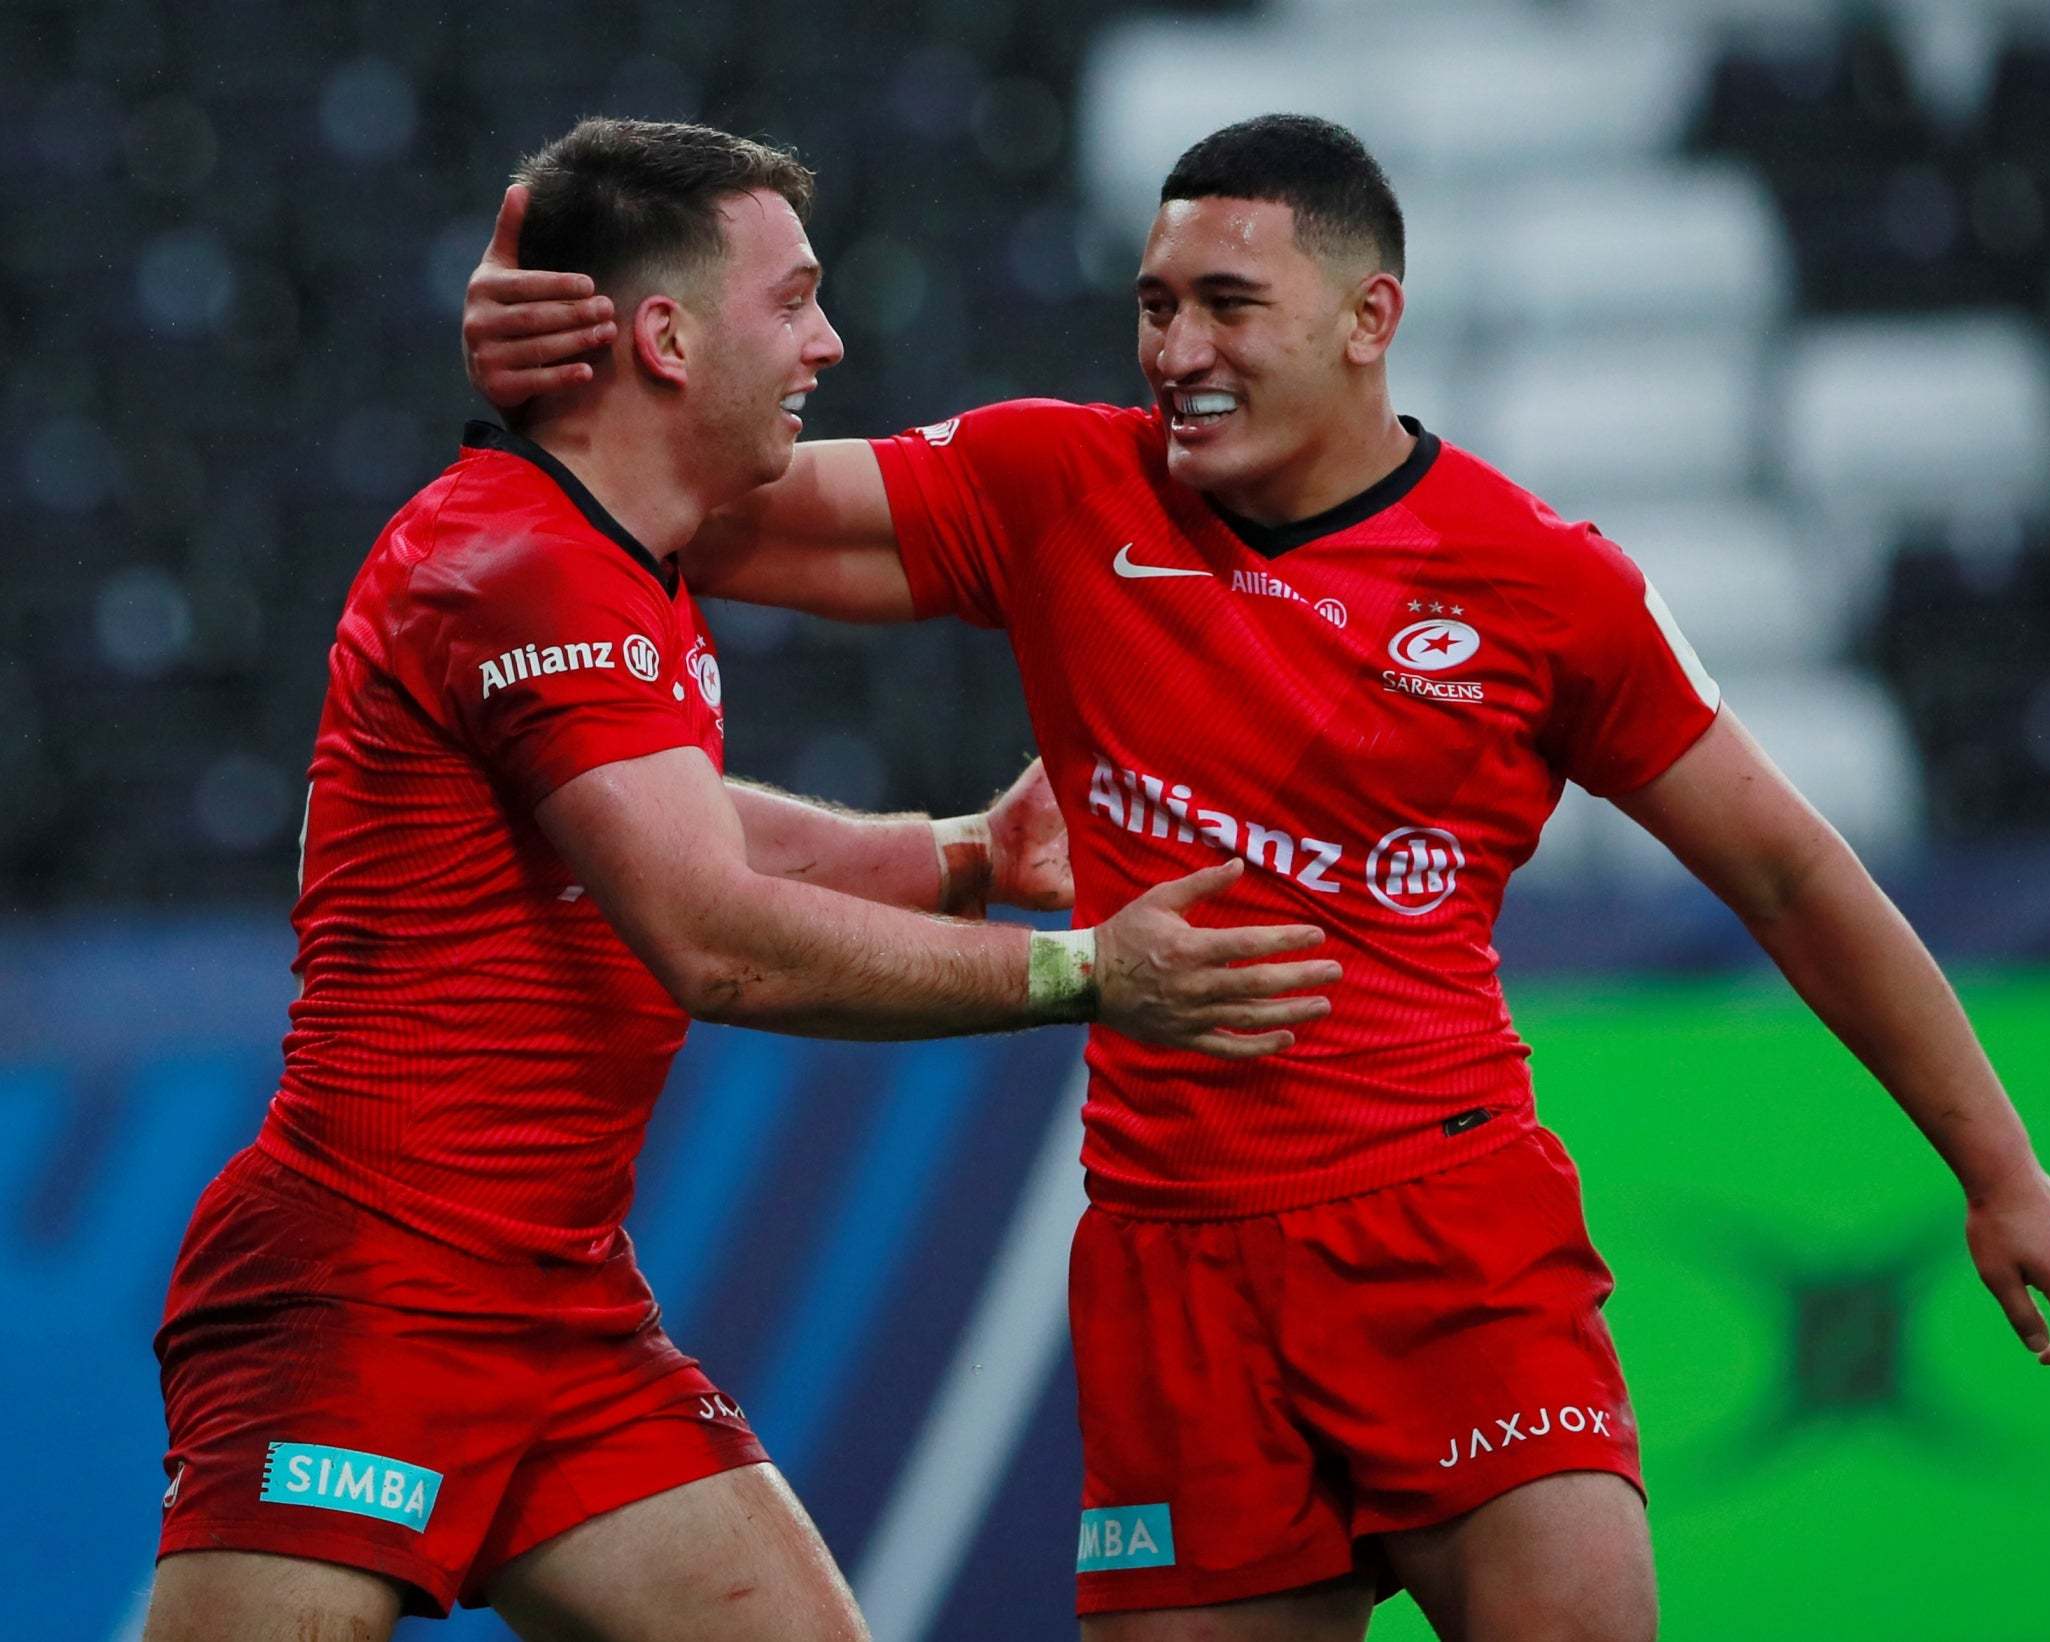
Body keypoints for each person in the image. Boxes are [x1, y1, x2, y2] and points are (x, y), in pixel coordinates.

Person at [464, 114, 2050, 1642]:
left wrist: (1999, 1168)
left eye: (1226, 306)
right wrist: (550, 368)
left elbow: (1786, 874)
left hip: (1449, 1238)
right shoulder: (1056, 488)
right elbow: (690, 502)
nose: (1176, 352)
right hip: (1171, 1269)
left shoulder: (1542, 583)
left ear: (1365, 316)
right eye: (1153, 304)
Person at [145, 118, 1344, 1642]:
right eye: (793, 301)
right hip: (368, 1277)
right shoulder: (516, 566)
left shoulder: (612, 555)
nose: (830, 343)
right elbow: (714, 938)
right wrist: (1086, 973)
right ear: (661, 335)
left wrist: (963, 857)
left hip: (558, 1299)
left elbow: (679, 827)